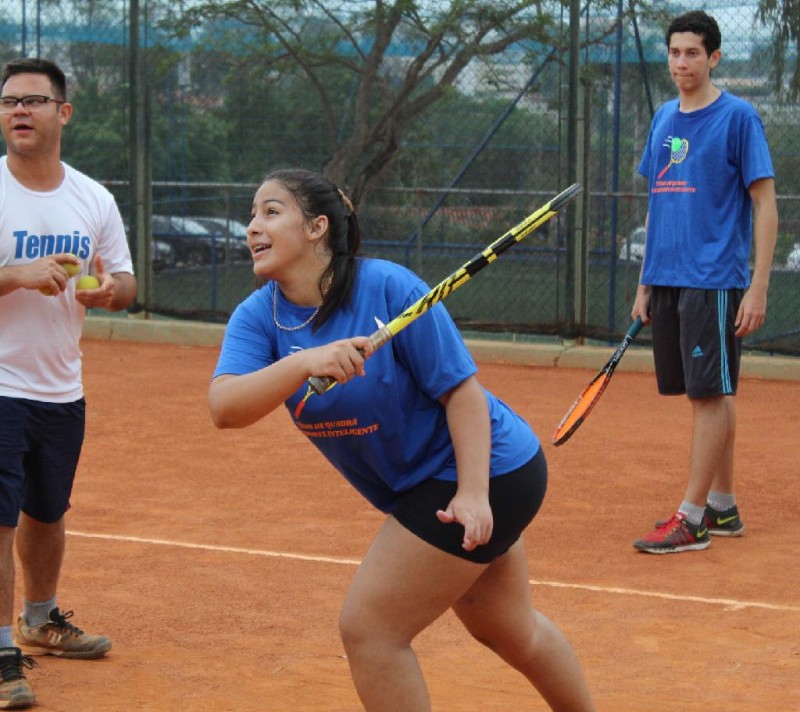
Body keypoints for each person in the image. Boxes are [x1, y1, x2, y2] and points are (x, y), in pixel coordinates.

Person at [208, 168, 596, 711]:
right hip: (432, 483)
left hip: (483, 469)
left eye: (271, 212)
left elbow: (462, 394)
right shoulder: (260, 317)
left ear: (318, 227)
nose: (253, 226)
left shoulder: (387, 287)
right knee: (511, 632)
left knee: (370, 629)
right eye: (252, 214)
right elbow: (224, 407)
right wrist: (302, 364)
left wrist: (473, 493)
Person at [0, 57, 137, 707]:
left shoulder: (93, 199)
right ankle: (2, 652)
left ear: (63, 112)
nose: (18, 111)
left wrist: (109, 292)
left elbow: (128, 284)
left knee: (46, 513)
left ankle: (40, 618)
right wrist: (15, 275)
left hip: (61, 386)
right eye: (8, 102)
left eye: (32, 100)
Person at [631, 11, 778, 554]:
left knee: (709, 393)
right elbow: (658, 201)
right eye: (674, 53)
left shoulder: (739, 118)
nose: (681, 63)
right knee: (711, 389)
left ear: (714, 58)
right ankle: (722, 505)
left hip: (713, 278)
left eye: (692, 53)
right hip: (667, 277)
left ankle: (691, 519)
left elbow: (765, 205)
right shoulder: (664, 118)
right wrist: (645, 279)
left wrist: (757, 285)